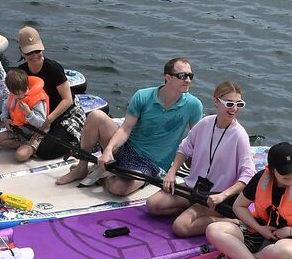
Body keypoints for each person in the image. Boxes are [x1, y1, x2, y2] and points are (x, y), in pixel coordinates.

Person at [57, 57, 204, 197]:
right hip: (127, 148)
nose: (188, 80)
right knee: (96, 116)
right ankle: (82, 168)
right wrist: (108, 150)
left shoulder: (194, 105)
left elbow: (197, 141)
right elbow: (125, 129)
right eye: (183, 76)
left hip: (151, 164)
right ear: (168, 77)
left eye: (191, 76)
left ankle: (105, 174)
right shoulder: (143, 96)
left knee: (118, 188)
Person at [146, 80, 255, 237]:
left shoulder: (239, 135)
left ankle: (230, 221)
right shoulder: (205, 123)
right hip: (195, 189)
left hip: (217, 196)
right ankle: (195, 210)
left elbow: (248, 174)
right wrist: (172, 172)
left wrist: (223, 195)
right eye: (230, 104)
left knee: (180, 227)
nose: (235, 109)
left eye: (240, 104)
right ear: (216, 101)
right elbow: (185, 147)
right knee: (153, 205)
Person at [15, 26, 88, 160]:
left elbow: (67, 100)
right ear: (21, 52)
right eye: (29, 52)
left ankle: (79, 140)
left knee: (45, 152)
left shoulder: (53, 68)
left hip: (64, 114)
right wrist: (8, 118)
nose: (35, 55)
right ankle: (32, 143)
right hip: (39, 115)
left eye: (37, 51)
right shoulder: (21, 71)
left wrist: (49, 120)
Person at [0, 69, 51, 162]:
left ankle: (31, 148)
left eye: (22, 92)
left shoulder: (37, 100)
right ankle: (23, 144)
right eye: (16, 94)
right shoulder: (13, 94)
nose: (19, 96)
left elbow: (41, 123)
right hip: (20, 129)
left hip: (36, 132)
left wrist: (28, 113)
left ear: (26, 86)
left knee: (20, 156)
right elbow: (5, 104)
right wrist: (4, 118)